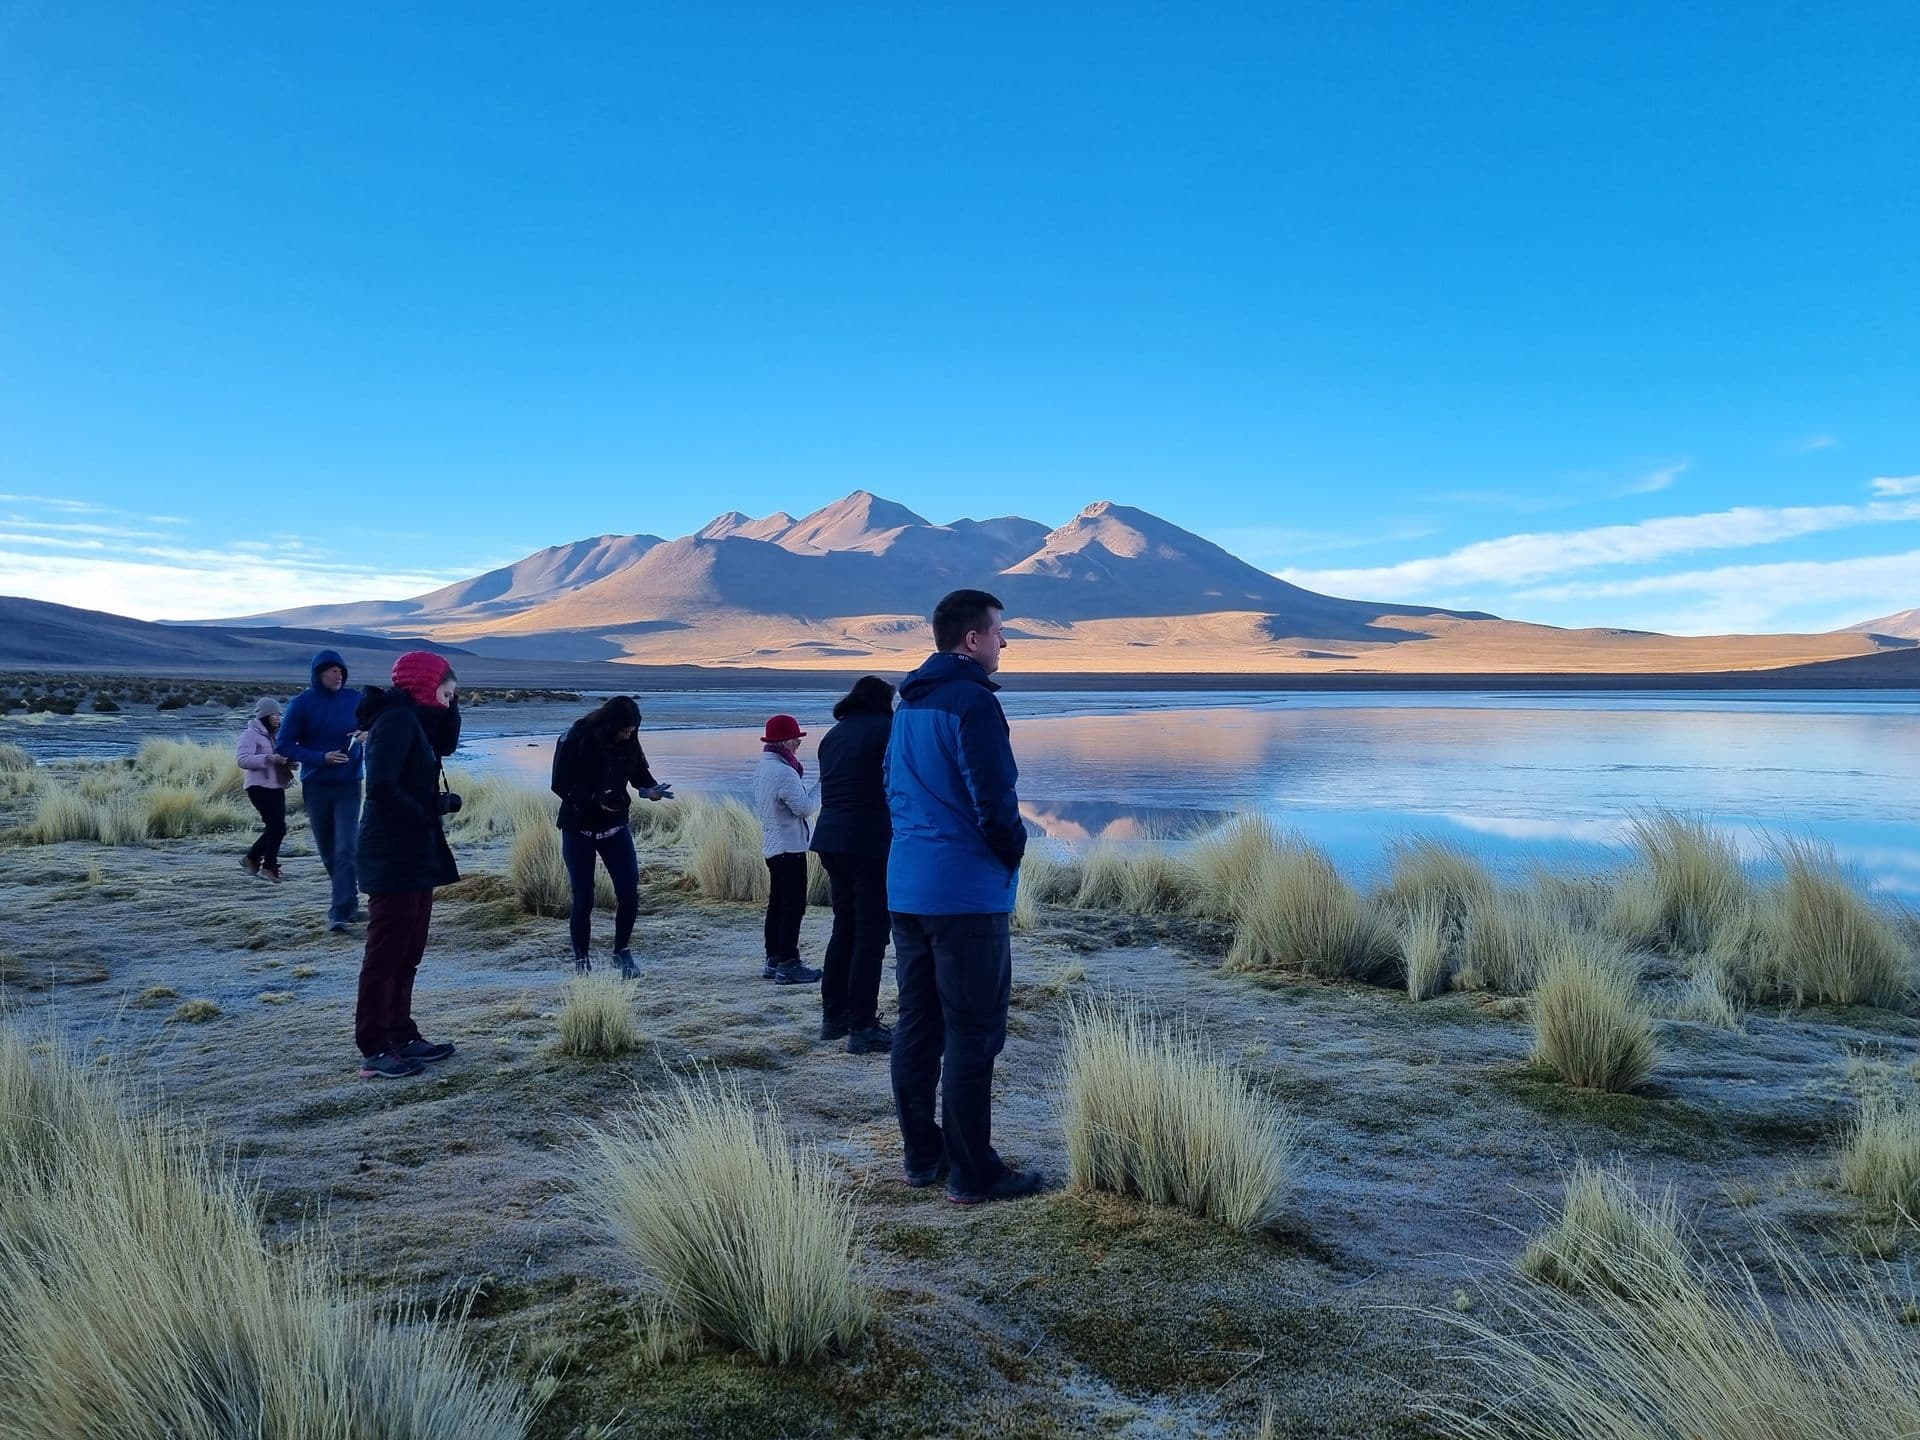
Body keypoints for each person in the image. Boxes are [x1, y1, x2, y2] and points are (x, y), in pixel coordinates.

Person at [885, 588, 1045, 1205]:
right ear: (972, 640)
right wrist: (1009, 854)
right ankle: (972, 1172)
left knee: (918, 1025)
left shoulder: (909, 705)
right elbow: (994, 796)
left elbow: (891, 789)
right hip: (966, 896)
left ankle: (922, 1155)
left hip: (910, 888)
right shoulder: (972, 703)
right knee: (974, 1033)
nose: (1004, 643)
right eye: (999, 631)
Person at [351, 651, 463, 1080]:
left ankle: (401, 1033)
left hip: (414, 849)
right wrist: (429, 806)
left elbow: (447, 745)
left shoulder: (415, 719)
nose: (448, 701)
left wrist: (451, 704)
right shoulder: (395, 722)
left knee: (408, 951)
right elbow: (380, 787)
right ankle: (374, 1046)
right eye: (445, 692)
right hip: (392, 851)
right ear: (423, 685)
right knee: (385, 954)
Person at [549, 695, 673, 977]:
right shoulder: (576, 738)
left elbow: (639, 773)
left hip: (615, 827)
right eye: (625, 730)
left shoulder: (629, 741)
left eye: (633, 731)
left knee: (629, 892)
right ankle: (582, 960)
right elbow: (559, 784)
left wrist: (650, 789)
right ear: (609, 725)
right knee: (583, 897)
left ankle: (622, 952)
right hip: (578, 827)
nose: (629, 735)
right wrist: (594, 798)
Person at [809, 676, 897, 1054]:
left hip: (831, 839)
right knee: (872, 935)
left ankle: (834, 1017)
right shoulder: (887, 731)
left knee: (844, 926)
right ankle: (862, 1025)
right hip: (869, 842)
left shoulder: (834, 734)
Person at [276, 649, 363, 932]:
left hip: (349, 782)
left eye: (341, 671)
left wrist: (367, 732)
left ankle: (338, 912)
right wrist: (320, 757)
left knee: (346, 847)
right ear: (318, 673)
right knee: (328, 849)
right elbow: (284, 745)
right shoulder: (302, 704)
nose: (338, 675)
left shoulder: (355, 699)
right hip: (316, 784)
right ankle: (349, 902)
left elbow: (375, 724)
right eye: (332, 670)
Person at [754, 713, 821, 986]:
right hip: (789, 848)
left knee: (778, 905)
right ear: (785, 742)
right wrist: (823, 785)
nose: (798, 745)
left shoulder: (764, 767)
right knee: (793, 907)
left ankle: (774, 959)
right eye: (796, 740)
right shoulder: (783, 772)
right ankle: (788, 963)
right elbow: (804, 807)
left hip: (774, 847)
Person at [236, 696, 295, 880]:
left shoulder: (277, 735)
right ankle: (268, 867)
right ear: (264, 716)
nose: (278, 718)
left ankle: (252, 858)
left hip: (276, 786)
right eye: (273, 715)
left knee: (277, 828)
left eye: (279, 714)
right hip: (258, 787)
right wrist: (268, 759)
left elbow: (281, 756)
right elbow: (242, 760)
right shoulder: (250, 735)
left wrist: (289, 763)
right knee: (276, 827)